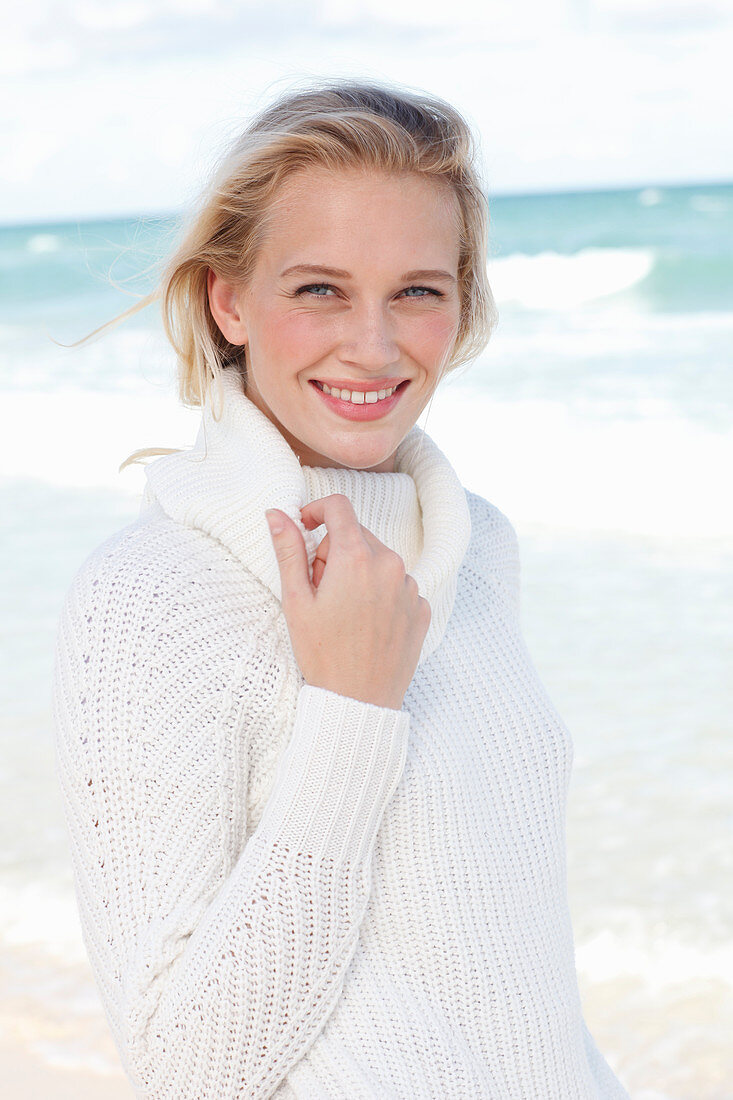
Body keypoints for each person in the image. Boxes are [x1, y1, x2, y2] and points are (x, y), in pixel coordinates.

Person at [52, 79, 630, 1098]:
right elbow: (190, 1068)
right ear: (230, 299)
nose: (373, 344)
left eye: (417, 289)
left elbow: (511, 971)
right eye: (319, 288)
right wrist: (352, 713)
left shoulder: (478, 550)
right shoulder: (150, 594)